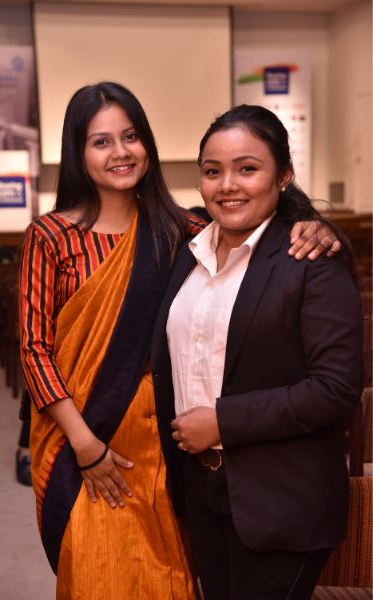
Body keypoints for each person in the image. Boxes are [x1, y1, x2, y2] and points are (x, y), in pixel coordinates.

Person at [19, 83, 341, 600]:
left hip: (171, 445)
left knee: (168, 577)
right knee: (98, 573)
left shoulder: (185, 230)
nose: (120, 152)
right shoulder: (52, 236)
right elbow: (34, 350)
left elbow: (262, 225)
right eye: (101, 141)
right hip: (88, 435)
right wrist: (85, 446)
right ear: (77, 153)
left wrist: (315, 225)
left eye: (130, 136)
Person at [151, 104, 364, 600]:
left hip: (280, 498)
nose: (227, 185)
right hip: (200, 488)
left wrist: (223, 423)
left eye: (247, 168)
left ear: (283, 175)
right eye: (212, 171)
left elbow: (336, 390)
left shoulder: (311, 257)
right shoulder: (189, 253)